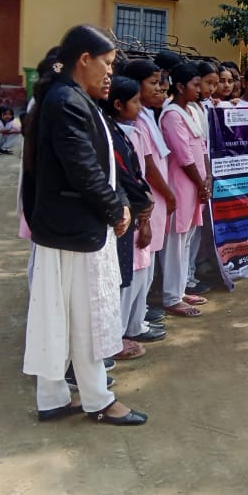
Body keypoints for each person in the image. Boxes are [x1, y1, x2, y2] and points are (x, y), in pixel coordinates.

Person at [21, 24, 147, 425]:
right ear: (84, 59)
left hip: (68, 227)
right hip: (75, 228)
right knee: (85, 317)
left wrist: (118, 202)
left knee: (62, 315)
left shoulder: (71, 98)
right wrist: (116, 210)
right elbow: (83, 170)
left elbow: (97, 166)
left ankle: (53, 397)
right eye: (106, 63)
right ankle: (98, 400)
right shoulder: (67, 101)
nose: (110, 72)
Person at [100, 76, 155, 360]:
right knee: (119, 277)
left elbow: (134, 172)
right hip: (123, 211)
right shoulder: (109, 132)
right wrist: (142, 201)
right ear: (119, 104)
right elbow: (123, 175)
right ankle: (113, 339)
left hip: (132, 208)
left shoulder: (119, 131)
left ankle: (119, 334)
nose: (140, 106)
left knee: (128, 274)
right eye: (135, 101)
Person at [121, 59, 174, 341]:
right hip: (145, 200)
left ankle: (138, 317)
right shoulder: (135, 123)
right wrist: (166, 192)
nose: (159, 88)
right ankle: (129, 326)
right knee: (137, 264)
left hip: (152, 199)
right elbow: (148, 166)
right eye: (152, 83)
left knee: (147, 262)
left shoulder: (147, 115)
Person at [159, 62, 210, 318]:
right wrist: (201, 183)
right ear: (180, 86)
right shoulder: (172, 115)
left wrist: (207, 177)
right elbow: (183, 156)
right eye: (195, 85)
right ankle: (171, 296)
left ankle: (180, 290)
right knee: (175, 242)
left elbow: (202, 148)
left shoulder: (192, 111)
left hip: (196, 184)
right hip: (181, 184)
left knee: (187, 239)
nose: (200, 90)